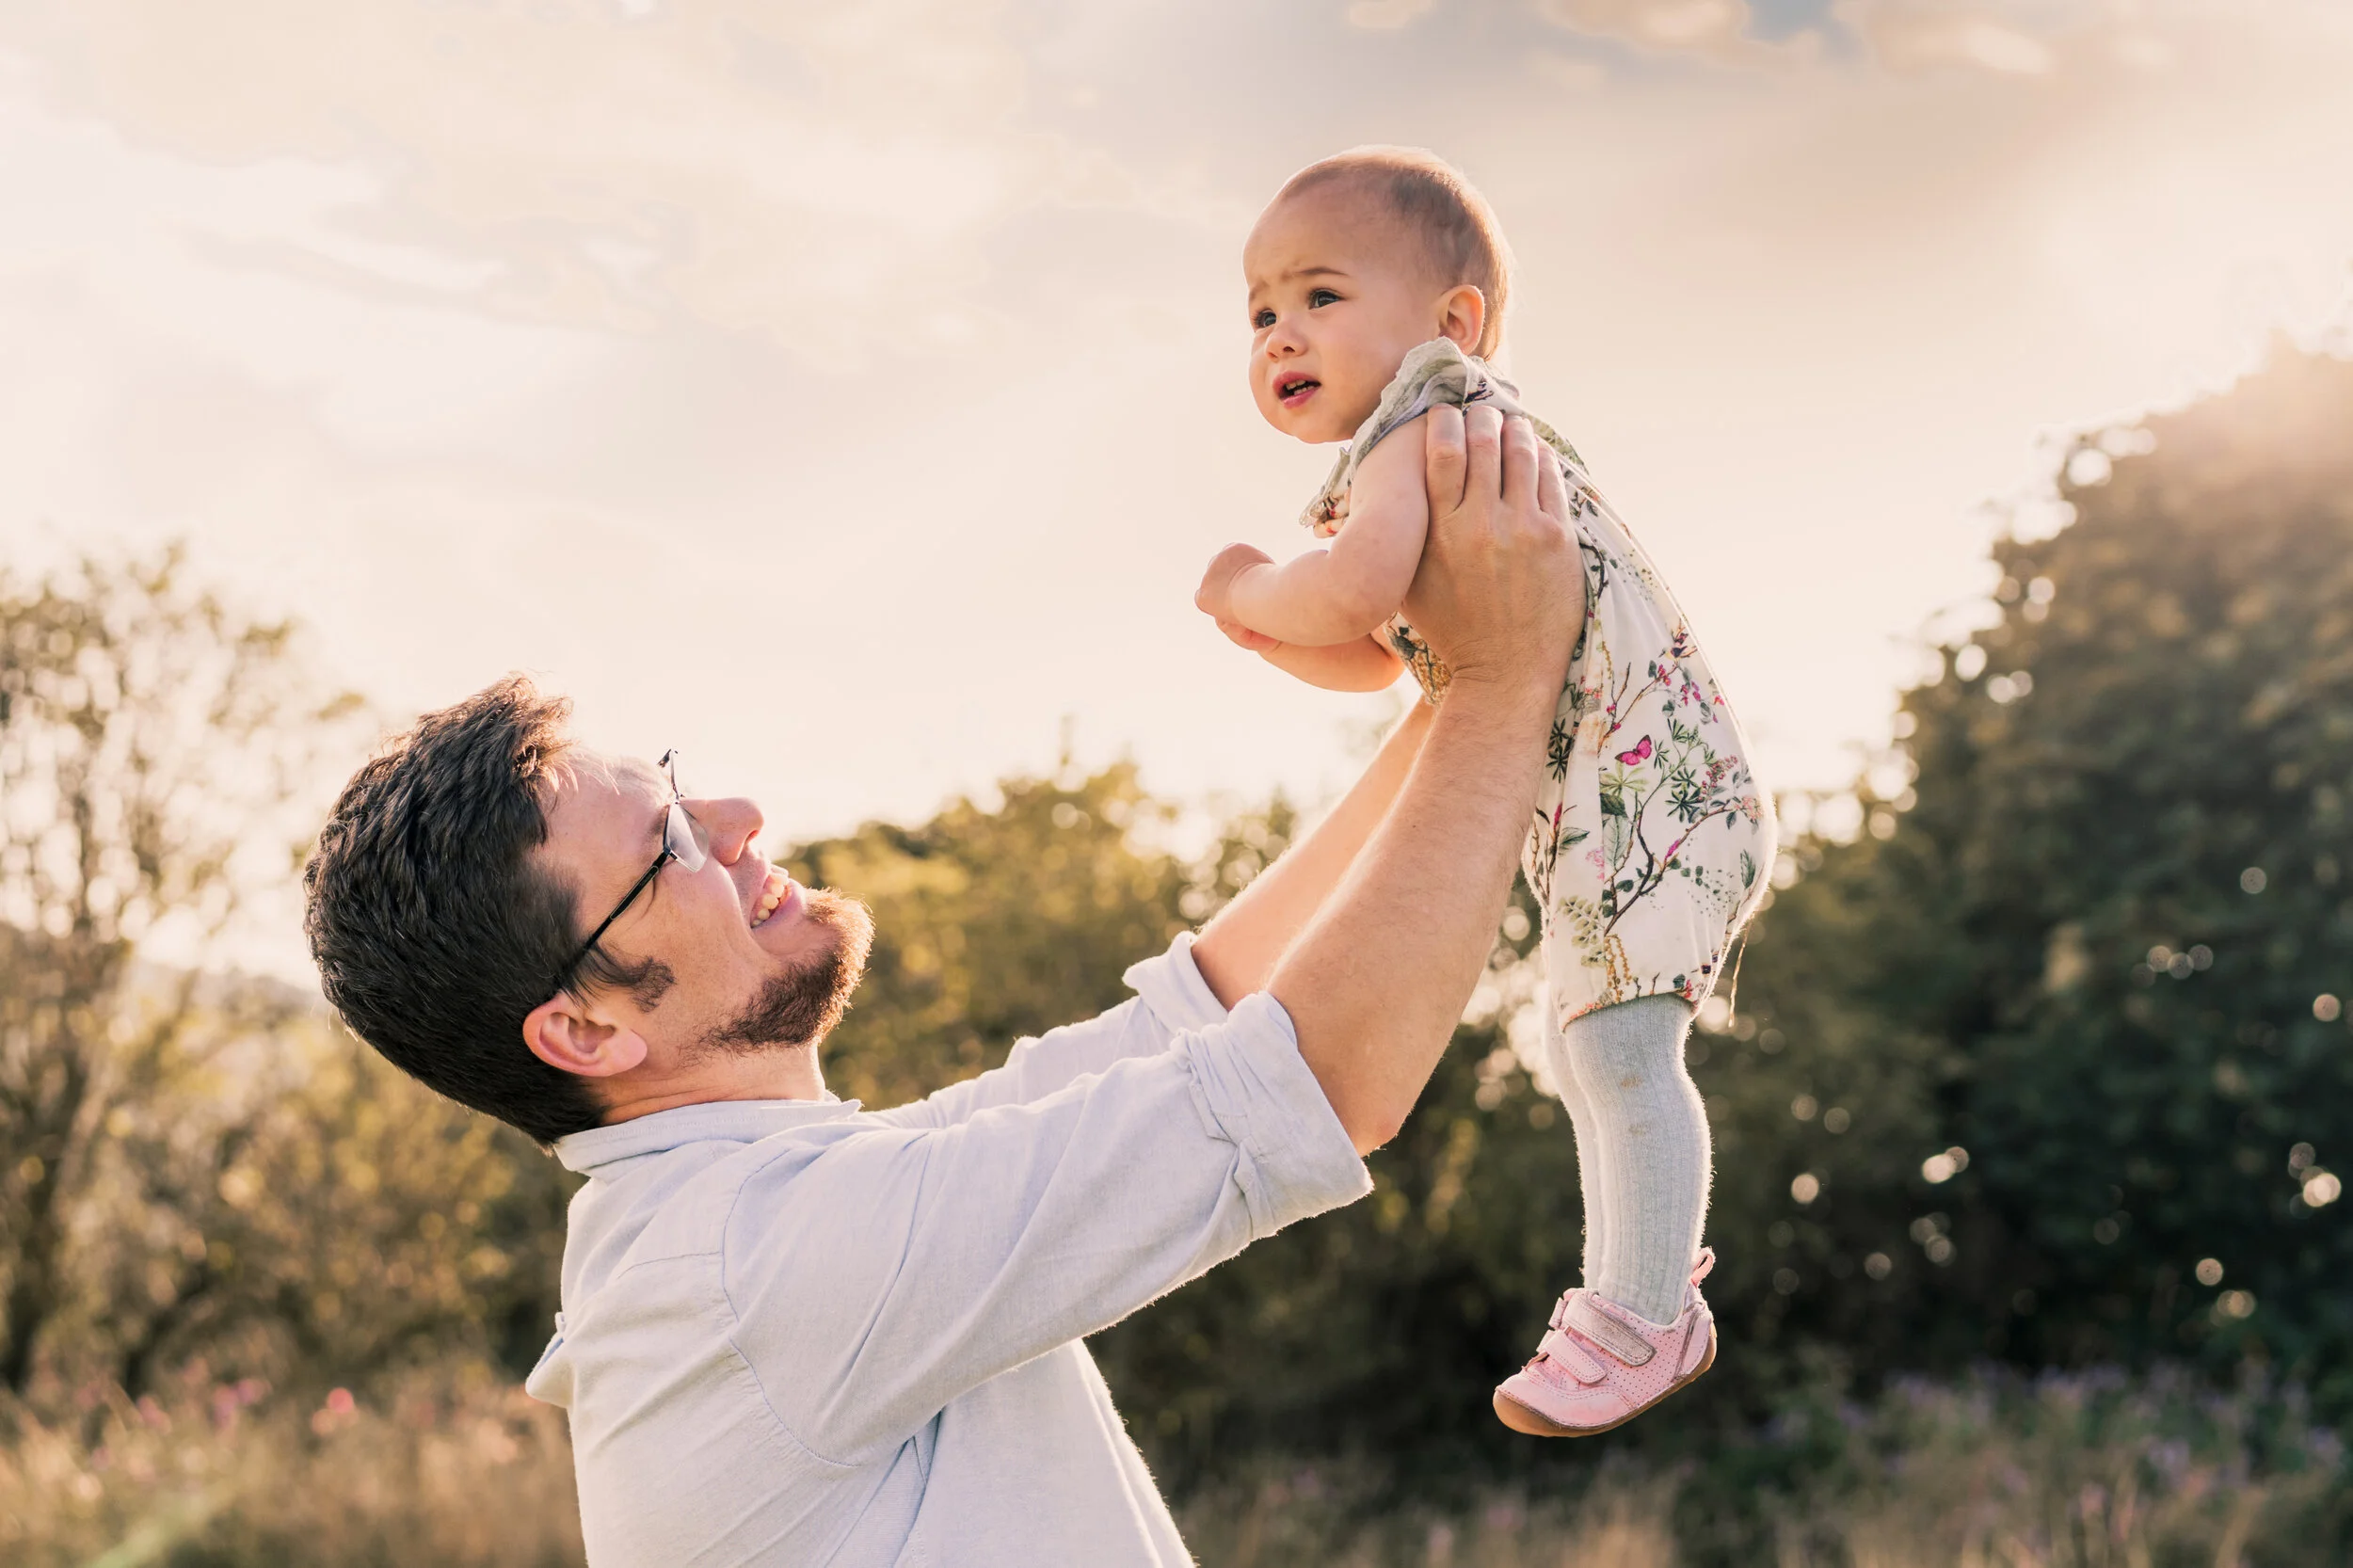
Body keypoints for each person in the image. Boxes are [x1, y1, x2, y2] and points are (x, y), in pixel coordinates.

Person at [300, 403, 1582, 1565]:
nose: (738, 817)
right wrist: (1502, 682)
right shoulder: (753, 1268)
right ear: (584, 1025)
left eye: (683, 788)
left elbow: (1197, 1021)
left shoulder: (756, 1215)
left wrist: (1446, 691)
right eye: (667, 847)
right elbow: (1318, 1077)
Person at [1193, 147, 1775, 1437]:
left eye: (1320, 294)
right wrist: (1275, 631)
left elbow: (1345, 596)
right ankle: (1646, 1275)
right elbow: (1385, 652)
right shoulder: (1426, 449)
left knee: (1616, 1045)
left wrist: (1245, 586)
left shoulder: (1429, 421)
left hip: (1647, 793)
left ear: (1451, 322)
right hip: (1631, 793)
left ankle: (1642, 1311)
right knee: (1592, 1045)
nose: (1280, 329)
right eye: (1259, 311)